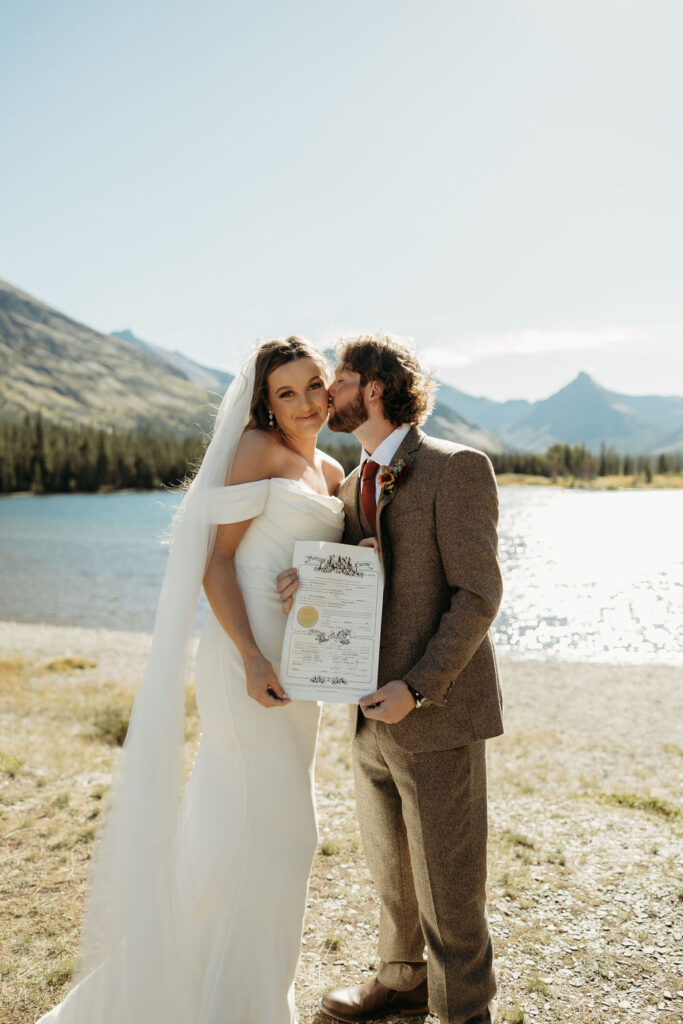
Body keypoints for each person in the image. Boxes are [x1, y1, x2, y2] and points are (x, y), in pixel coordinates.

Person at [37, 337, 345, 1024]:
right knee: (252, 828)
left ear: (333, 387)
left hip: (299, 671)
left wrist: (351, 556)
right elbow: (215, 561)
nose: (303, 403)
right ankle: (219, 999)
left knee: (278, 834)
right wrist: (251, 658)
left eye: (314, 386)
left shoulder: (329, 466)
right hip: (248, 662)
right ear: (264, 403)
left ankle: (247, 990)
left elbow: (319, 563)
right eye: (285, 393)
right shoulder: (256, 453)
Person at [277, 334, 504, 1024]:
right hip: (366, 712)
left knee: (448, 881)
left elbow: (476, 594)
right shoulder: (352, 483)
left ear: (373, 387)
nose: (323, 397)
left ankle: (463, 1011)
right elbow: (356, 584)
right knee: (392, 871)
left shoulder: (454, 467)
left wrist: (417, 687)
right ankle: (401, 980)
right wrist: (305, 587)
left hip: (433, 712)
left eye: (334, 381)